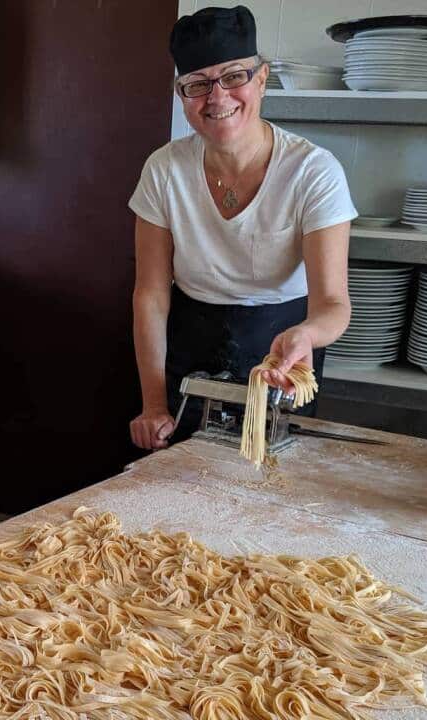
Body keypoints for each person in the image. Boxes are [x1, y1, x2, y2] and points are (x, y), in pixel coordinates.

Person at [128, 5, 356, 451]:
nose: (217, 98)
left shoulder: (313, 171)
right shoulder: (164, 170)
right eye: (198, 85)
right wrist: (153, 403)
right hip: (188, 345)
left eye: (234, 76)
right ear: (181, 94)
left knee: (269, 485)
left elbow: (333, 303)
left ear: (261, 78)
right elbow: (151, 294)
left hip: (282, 347)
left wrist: (304, 336)